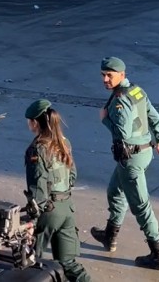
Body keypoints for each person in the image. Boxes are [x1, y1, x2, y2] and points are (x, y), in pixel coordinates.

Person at [89, 57, 159, 270]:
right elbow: (154, 116)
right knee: (114, 191)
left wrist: (105, 119)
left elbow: (122, 133)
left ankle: (157, 254)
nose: (105, 79)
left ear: (122, 75)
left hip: (130, 158)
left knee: (141, 206)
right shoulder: (136, 91)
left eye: (109, 75)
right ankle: (109, 236)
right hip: (142, 151)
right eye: (103, 75)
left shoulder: (120, 100)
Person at [23, 99, 92, 282]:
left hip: (48, 212)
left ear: (35, 123)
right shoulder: (63, 142)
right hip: (67, 208)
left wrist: (32, 221)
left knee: (29, 262)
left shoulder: (37, 149)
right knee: (68, 262)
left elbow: (37, 188)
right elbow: (72, 175)